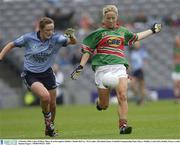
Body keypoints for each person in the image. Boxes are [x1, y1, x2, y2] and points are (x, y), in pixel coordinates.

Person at [70, 5, 161, 134]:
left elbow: (136, 37)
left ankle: (123, 126)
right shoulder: (98, 33)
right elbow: (87, 51)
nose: (111, 20)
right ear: (104, 18)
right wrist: (81, 66)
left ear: (117, 17)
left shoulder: (123, 31)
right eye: (108, 18)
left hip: (119, 67)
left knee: (123, 96)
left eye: (113, 18)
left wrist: (152, 30)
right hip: (102, 69)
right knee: (104, 105)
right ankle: (100, 103)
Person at [0, 17, 77, 137]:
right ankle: (47, 119)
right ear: (40, 29)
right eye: (47, 30)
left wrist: (71, 36)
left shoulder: (56, 38)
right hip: (30, 74)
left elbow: (73, 42)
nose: (50, 32)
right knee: (45, 97)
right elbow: (11, 44)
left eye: (52, 29)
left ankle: (49, 128)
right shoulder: (28, 38)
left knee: (53, 104)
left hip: (47, 73)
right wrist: (0, 57)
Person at [129, 41, 149, 105]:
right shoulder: (132, 51)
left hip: (139, 70)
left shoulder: (142, 51)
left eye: (137, 44)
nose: (137, 45)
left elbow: (145, 60)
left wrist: (144, 67)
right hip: (134, 71)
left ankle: (142, 100)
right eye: (135, 44)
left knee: (142, 87)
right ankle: (138, 97)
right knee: (132, 85)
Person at [172, 35, 180, 103]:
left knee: (178, 85)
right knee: (176, 84)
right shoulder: (175, 49)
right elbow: (174, 59)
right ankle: (177, 98)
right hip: (175, 70)